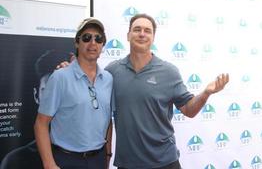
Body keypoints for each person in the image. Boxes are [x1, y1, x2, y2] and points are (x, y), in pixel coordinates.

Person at [58, 13, 229, 169]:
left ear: (153, 38)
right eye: (137, 29)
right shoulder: (112, 71)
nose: (142, 34)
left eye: (147, 31)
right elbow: (89, 83)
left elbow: (189, 110)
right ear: (128, 35)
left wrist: (206, 93)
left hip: (165, 162)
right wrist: (70, 70)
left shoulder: (169, 72)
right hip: (127, 164)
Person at [34, 18, 113, 169]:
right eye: (86, 38)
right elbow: (41, 124)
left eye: (98, 38)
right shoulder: (60, 77)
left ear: (103, 44)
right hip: (66, 160)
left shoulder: (108, 79)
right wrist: (49, 164)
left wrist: (108, 156)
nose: (93, 43)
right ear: (77, 43)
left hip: (98, 159)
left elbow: (108, 120)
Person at [1, 49, 73, 169]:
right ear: (36, 95)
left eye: (61, 89)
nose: (54, 98)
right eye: (47, 90)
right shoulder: (16, 161)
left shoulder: (88, 151)